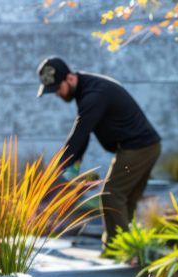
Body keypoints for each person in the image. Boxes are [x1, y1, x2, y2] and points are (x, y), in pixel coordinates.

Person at [37, 57, 161, 247]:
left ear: (69, 78)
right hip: (143, 147)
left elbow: (79, 133)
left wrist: (55, 169)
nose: (56, 94)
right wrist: (74, 164)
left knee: (112, 195)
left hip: (138, 148)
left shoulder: (94, 95)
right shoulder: (86, 89)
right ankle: (123, 250)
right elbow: (84, 135)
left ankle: (121, 250)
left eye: (57, 89)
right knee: (125, 200)